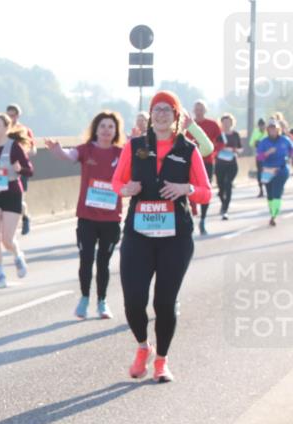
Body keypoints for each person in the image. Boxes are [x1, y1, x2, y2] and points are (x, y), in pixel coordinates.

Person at [112, 90, 211, 383]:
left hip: (175, 236)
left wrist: (186, 190)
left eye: (168, 109)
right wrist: (125, 189)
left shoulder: (188, 149)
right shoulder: (135, 145)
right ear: (150, 115)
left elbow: (205, 192)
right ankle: (143, 347)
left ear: (177, 116)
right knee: (133, 300)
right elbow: (118, 181)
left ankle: (162, 362)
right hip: (138, 233)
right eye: (157, 109)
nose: (162, 114)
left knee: (165, 303)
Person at [45, 111, 126, 320]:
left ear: (116, 131)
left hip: (110, 218)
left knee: (103, 262)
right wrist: (57, 150)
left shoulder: (121, 153)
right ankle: (84, 298)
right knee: (86, 258)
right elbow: (68, 155)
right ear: (95, 130)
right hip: (87, 217)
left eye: (111, 127)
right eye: (102, 126)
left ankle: (102, 301)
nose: (106, 130)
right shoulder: (86, 150)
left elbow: (139, 161)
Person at [0, 112, 34, 289]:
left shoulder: (15, 147)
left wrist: (20, 168)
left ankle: (17, 254)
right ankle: (0, 273)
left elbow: (29, 171)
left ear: (6, 128)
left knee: (7, 239)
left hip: (11, 193)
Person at [187, 100, 223, 235]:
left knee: (205, 189)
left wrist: (213, 153)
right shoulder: (187, 125)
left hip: (207, 162)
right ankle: (192, 210)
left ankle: (203, 219)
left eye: (201, 108)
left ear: (205, 110)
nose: (199, 111)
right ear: (193, 110)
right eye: (197, 109)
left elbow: (220, 142)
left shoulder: (212, 124)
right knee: (189, 187)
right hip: (190, 162)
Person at [256, 118, 293, 227]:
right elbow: (259, 157)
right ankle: (273, 211)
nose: (272, 131)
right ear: (267, 130)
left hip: (281, 169)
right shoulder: (264, 142)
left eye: (274, 129)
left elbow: (291, 150)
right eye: (270, 129)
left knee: (276, 193)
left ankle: (273, 216)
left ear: (278, 130)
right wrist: (267, 153)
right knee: (270, 195)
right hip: (268, 170)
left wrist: (290, 158)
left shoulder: (285, 140)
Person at [6, 104, 36, 235]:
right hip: (5, 169)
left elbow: (33, 149)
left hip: (21, 169)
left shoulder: (25, 130)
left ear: (18, 116)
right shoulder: (3, 129)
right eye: (8, 115)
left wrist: (22, 155)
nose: (10, 118)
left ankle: (25, 217)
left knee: (20, 199)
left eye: (13, 115)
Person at [215, 113, 242, 220]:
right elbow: (213, 147)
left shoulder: (235, 134)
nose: (226, 124)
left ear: (232, 123)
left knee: (228, 183)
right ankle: (223, 200)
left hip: (232, 163)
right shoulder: (218, 134)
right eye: (224, 122)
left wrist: (235, 150)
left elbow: (240, 149)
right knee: (221, 187)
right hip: (220, 164)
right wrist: (220, 149)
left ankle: (225, 209)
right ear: (221, 123)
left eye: (228, 122)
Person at [250, 118, 268, 197]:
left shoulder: (268, 131)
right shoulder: (255, 132)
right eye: (260, 125)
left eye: (263, 125)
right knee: (260, 173)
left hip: (269, 156)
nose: (262, 127)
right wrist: (256, 142)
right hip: (260, 155)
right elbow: (251, 143)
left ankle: (270, 188)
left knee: (268, 172)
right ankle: (261, 190)